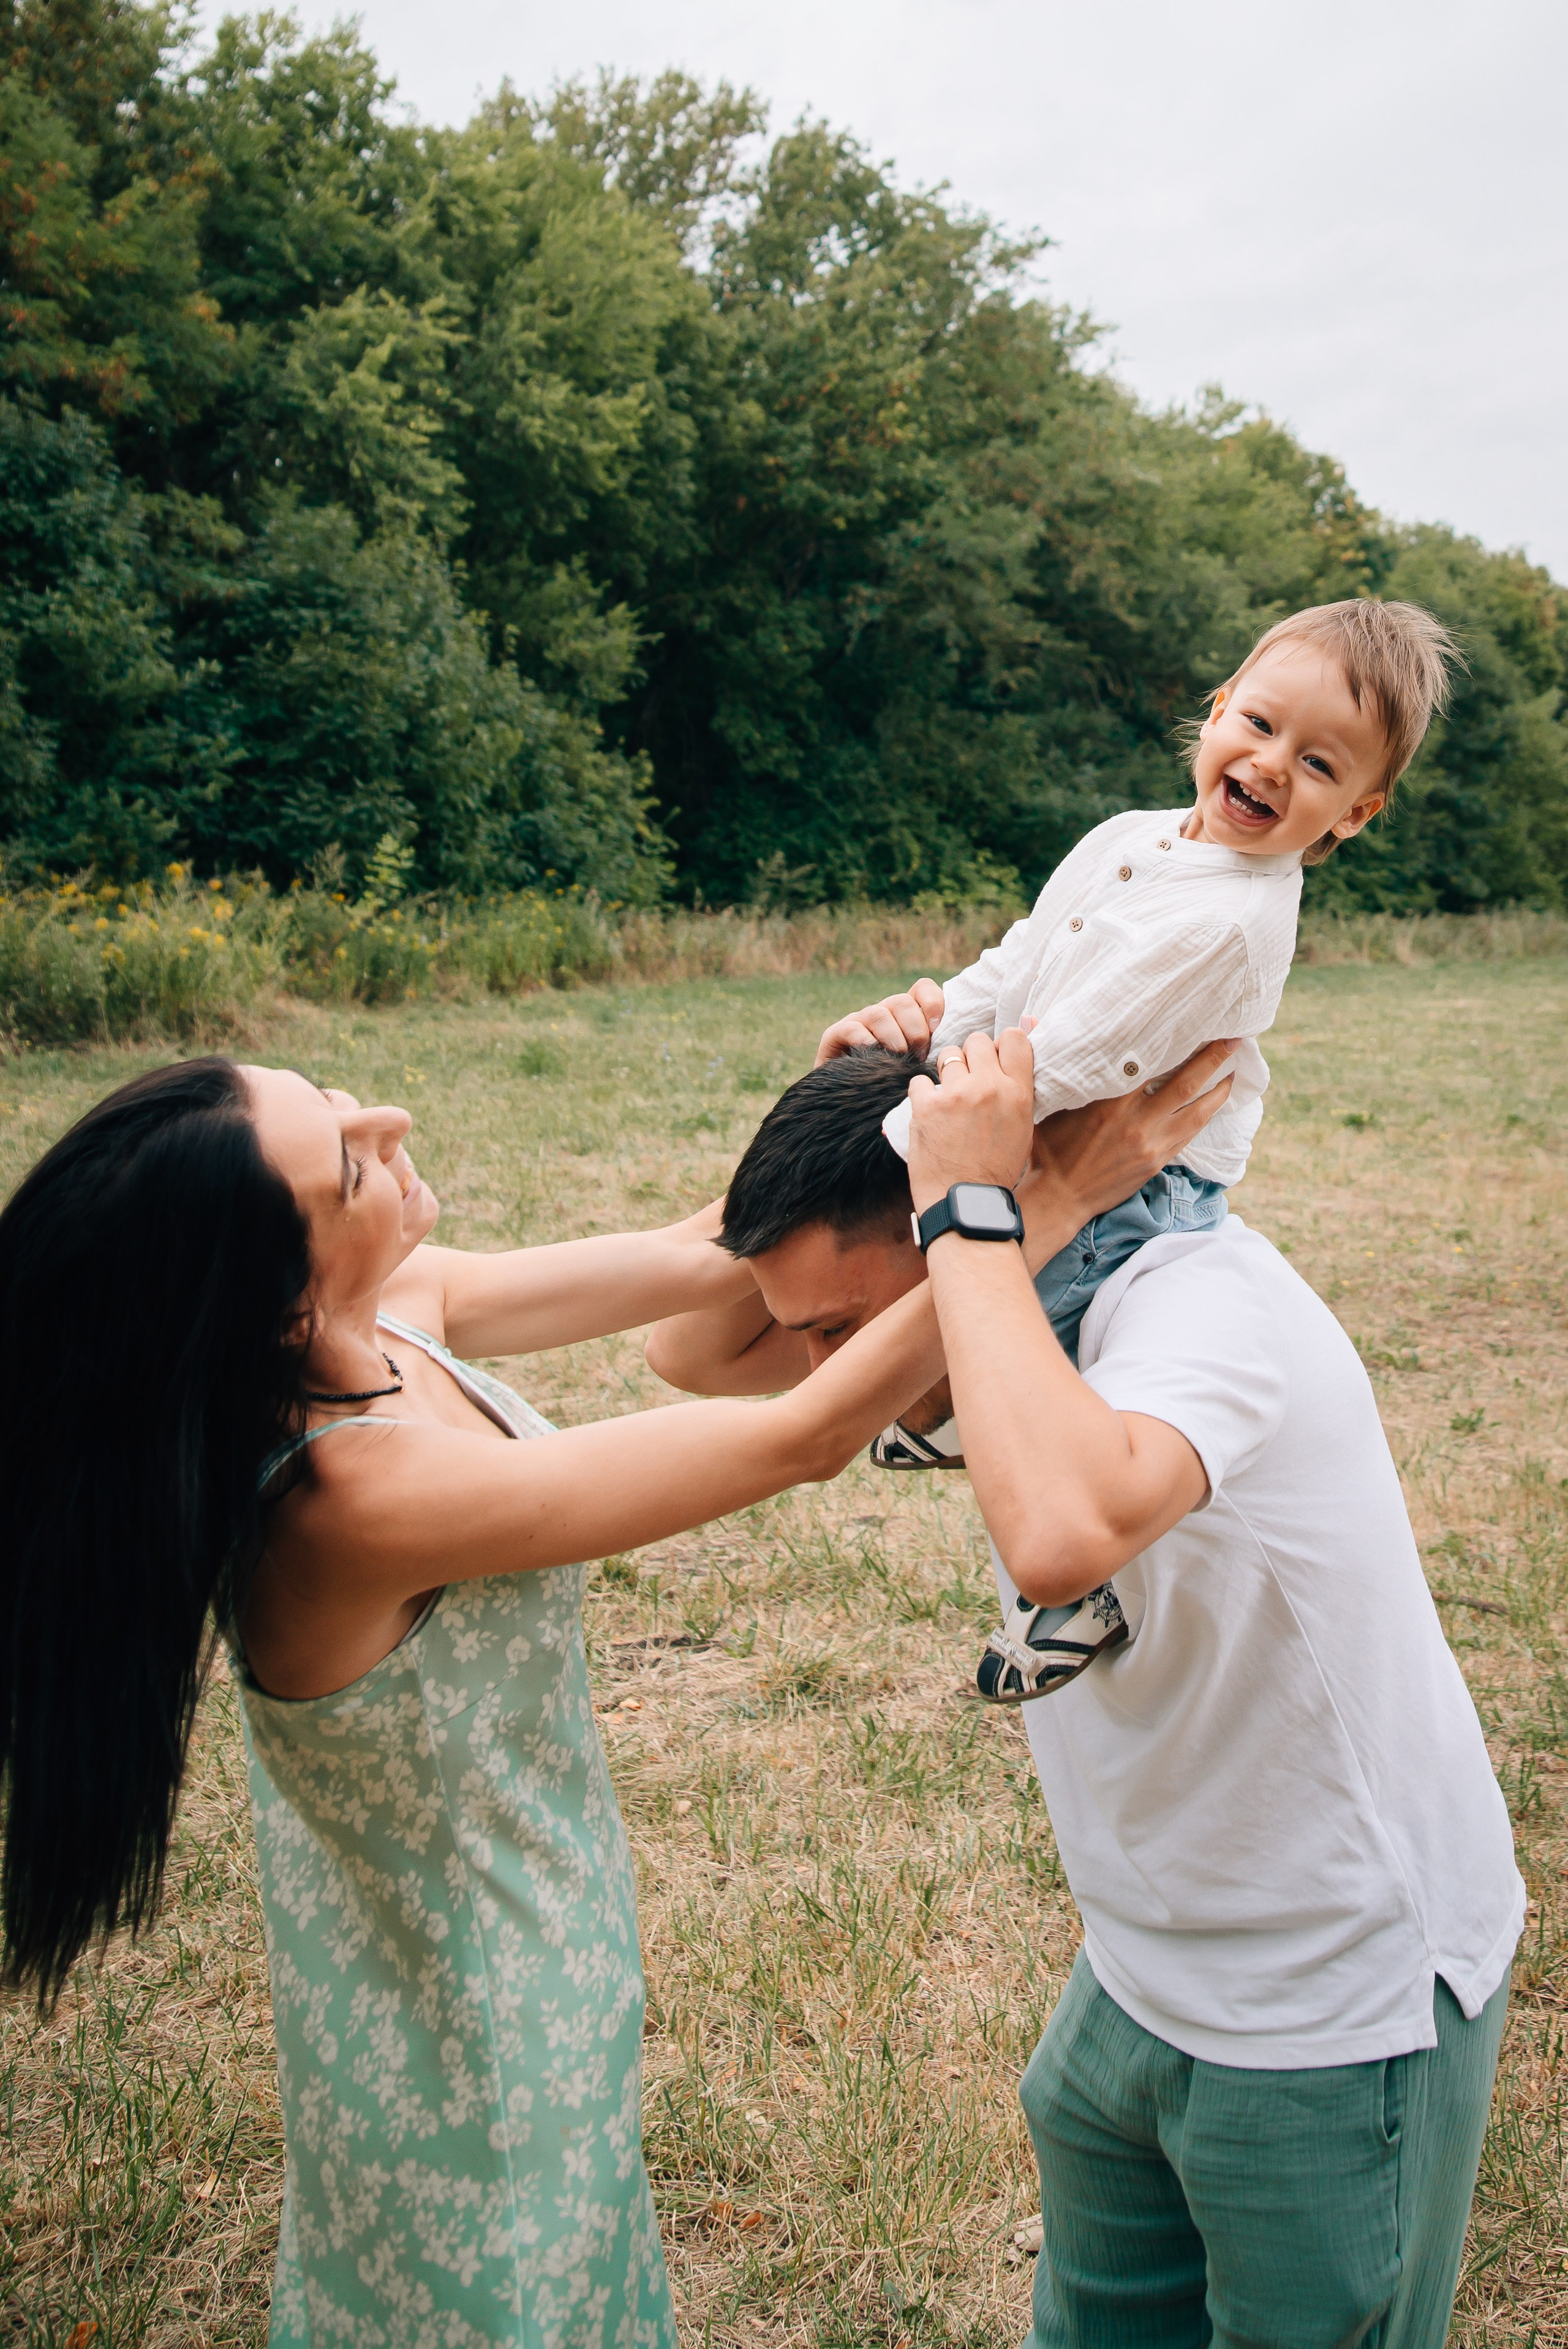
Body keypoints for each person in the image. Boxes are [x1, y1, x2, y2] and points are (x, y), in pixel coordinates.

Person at [0, 1049, 1202, 2346]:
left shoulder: (390, 1307)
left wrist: (862, 1109)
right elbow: (794, 1438)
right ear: (279, 1301)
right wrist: (1038, 1208)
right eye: (347, 1158)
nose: (388, 1117)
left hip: (539, 1939)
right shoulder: (341, 1507)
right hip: (461, 2022)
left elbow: (714, 1256)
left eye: (333, 1096)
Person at [649, 1031, 1523, 2349]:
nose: (826, 1370)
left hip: (1328, 2009)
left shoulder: (1196, 1302)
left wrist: (971, 1207)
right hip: (1131, 1977)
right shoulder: (1004, 1290)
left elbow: (1058, 1533)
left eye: (839, 1329)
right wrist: (901, 1095)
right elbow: (690, 1347)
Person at [820, 599, 1458, 1701]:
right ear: (1215, 713)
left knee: (1050, 1315)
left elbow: (1077, 1056)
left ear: (1357, 812)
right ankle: (957, 1415)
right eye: (1258, 724)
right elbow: (1024, 960)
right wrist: (929, 1039)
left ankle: (1074, 1578)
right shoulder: (1131, 837)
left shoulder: (1236, 919)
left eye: (1317, 764)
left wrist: (909, 1134)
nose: (1270, 765)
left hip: (1145, 1179)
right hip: (1048, 1098)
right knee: (978, 1268)